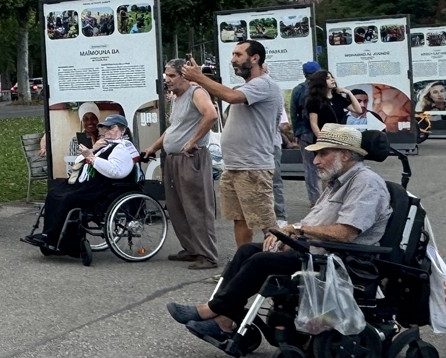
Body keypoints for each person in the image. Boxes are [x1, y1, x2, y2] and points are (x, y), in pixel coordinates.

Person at [166, 124, 391, 343]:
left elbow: (346, 233)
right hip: (316, 249)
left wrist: (297, 231)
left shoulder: (366, 184)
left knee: (261, 262)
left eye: (323, 154)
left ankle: (211, 310)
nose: (315, 161)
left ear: (346, 155)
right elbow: (315, 221)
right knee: (247, 251)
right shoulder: (337, 182)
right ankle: (224, 321)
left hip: (340, 260)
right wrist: (287, 234)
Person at [183, 41, 280, 248]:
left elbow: (231, 96)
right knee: (240, 218)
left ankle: (279, 266)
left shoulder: (264, 84)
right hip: (235, 165)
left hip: (253, 166)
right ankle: (243, 264)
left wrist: (199, 77)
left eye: (238, 54)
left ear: (255, 58)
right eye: (233, 55)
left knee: (266, 223)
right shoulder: (247, 86)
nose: (233, 59)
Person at [142, 59, 219, 270]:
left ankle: (208, 255)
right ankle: (191, 248)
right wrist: (154, 147)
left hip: (190, 158)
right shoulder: (176, 98)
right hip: (173, 158)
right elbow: (174, 128)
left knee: (197, 207)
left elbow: (211, 114)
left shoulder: (197, 92)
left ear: (184, 75)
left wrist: (192, 141)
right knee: (177, 207)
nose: (167, 79)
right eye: (166, 75)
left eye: (172, 75)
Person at [23, 114, 139, 253]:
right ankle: (50, 237)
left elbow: (116, 171)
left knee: (68, 198)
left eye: (111, 127)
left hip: (105, 187)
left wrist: (91, 157)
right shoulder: (105, 145)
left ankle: (59, 240)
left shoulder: (123, 147)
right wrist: (93, 150)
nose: (107, 131)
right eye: (105, 128)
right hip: (90, 183)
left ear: (123, 130)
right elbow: (79, 160)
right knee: (54, 193)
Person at [304, 70, 363, 205]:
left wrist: (348, 93)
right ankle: (327, 201)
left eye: (332, 77)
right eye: (328, 78)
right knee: (327, 172)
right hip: (325, 139)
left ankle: (341, 198)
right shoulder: (314, 100)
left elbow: (358, 110)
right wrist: (322, 141)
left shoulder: (337, 98)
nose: (332, 80)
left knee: (342, 168)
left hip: (340, 138)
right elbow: (314, 123)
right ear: (321, 82)